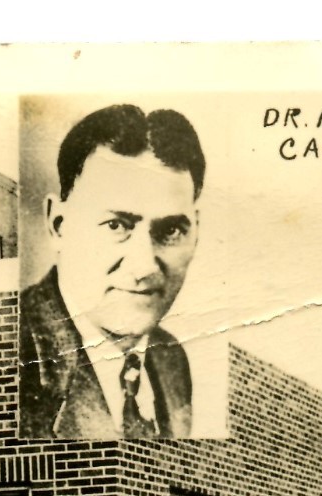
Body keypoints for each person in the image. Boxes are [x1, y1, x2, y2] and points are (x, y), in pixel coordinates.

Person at [19, 104, 205, 440]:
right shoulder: (14, 356)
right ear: (58, 225)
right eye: (116, 225)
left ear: (197, 232)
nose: (145, 266)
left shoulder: (171, 358)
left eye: (171, 230)